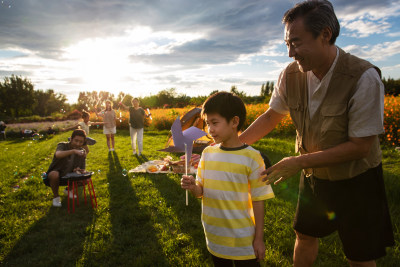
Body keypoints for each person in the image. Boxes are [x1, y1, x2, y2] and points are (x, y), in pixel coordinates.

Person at [239, 1, 394, 266]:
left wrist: (298, 162)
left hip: (358, 179)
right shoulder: (290, 75)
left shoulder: (363, 77)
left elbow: (360, 147)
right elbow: (271, 116)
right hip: (315, 175)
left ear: (325, 34)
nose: (290, 53)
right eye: (287, 44)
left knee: (359, 253)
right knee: (305, 233)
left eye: (296, 43)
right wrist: (231, 146)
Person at [181, 92, 274, 266]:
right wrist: (193, 187)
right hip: (215, 236)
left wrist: (259, 238)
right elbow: (201, 191)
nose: (210, 129)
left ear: (234, 122)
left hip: (244, 239)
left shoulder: (252, 158)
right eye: (208, 124)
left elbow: (259, 200)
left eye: (215, 123)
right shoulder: (207, 154)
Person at [43, 129, 87, 207]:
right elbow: (58, 154)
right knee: (54, 174)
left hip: (69, 177)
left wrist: (79, 170)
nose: (78, 144)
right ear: (71, 138)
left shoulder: (82, 151)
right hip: (56, 177)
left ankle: (68, 190)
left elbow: (82, 168)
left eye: (81, 142)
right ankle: (56, 198)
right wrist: (73, 151)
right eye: (76, 140)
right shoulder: (62, 145)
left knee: (86, 179)